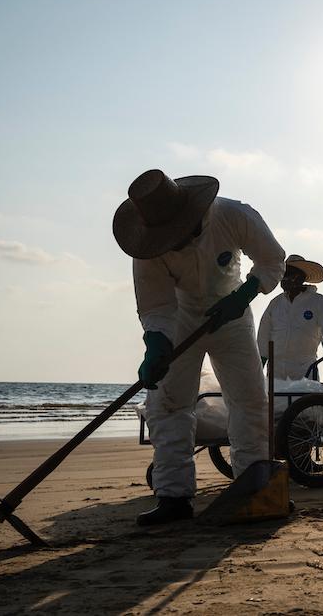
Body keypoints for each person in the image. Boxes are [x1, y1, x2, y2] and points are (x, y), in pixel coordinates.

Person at [114, 169, 285, 526]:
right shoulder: (147, 246)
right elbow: (155, 305)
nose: (173, 242)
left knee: (250, 400)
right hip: (181, 319)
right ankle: (173, 497)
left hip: (232, 315)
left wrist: (245, 293)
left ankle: (254, 487)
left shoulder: (235, 215)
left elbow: (272, 260)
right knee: (168, 403)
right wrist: (155, 343)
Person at [257, 255, 323, 381]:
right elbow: (264, 333)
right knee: (276, 400)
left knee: (305, 400)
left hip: (305, 369)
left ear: (300, 277)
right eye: (284, 274)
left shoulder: (318, 301)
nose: (285, 278)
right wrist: (260, 358)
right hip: (276, 371)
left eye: (290, 274)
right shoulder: (275, 304)